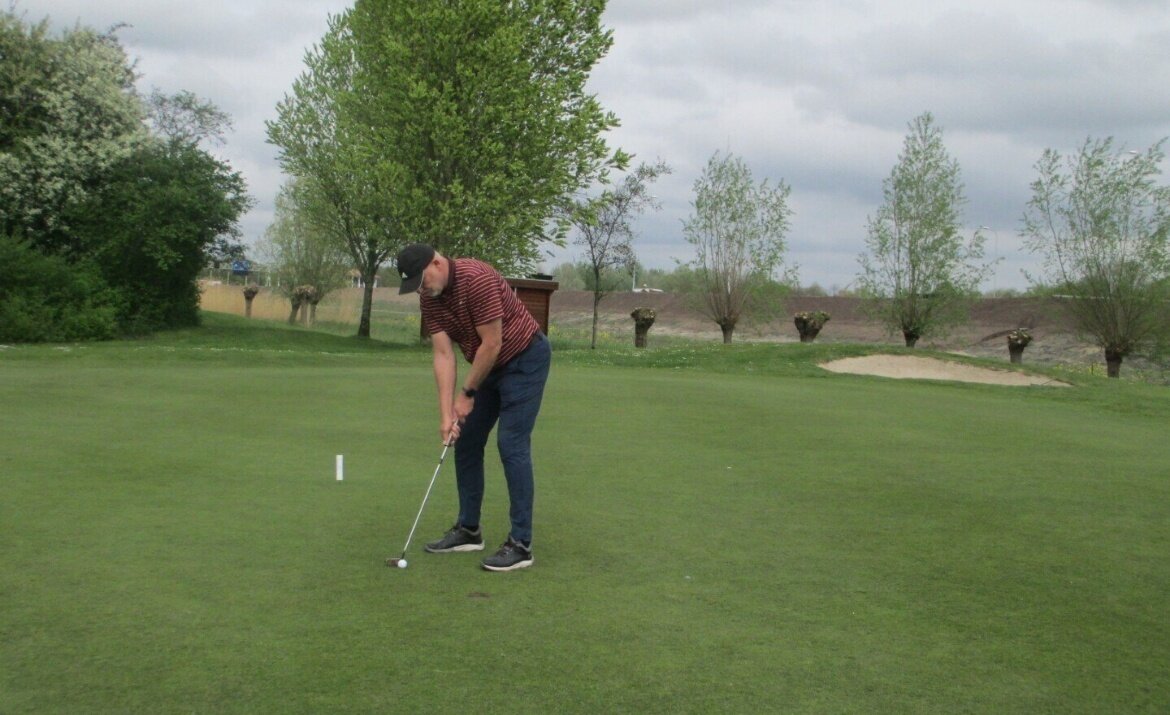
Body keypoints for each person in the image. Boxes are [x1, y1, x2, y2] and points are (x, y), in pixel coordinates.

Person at [394, 243, 551, 572]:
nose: (421, 289)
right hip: (487, 365)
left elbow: (492, 343)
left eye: (422, 281)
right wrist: (446, 415)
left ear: (437, 263)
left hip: (525, 359)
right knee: (464, 438)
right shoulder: (430, 297)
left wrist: (466, 393)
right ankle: (469, 529)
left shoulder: (476, 278)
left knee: (511, 444)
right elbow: (443, 355)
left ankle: (521, 544)